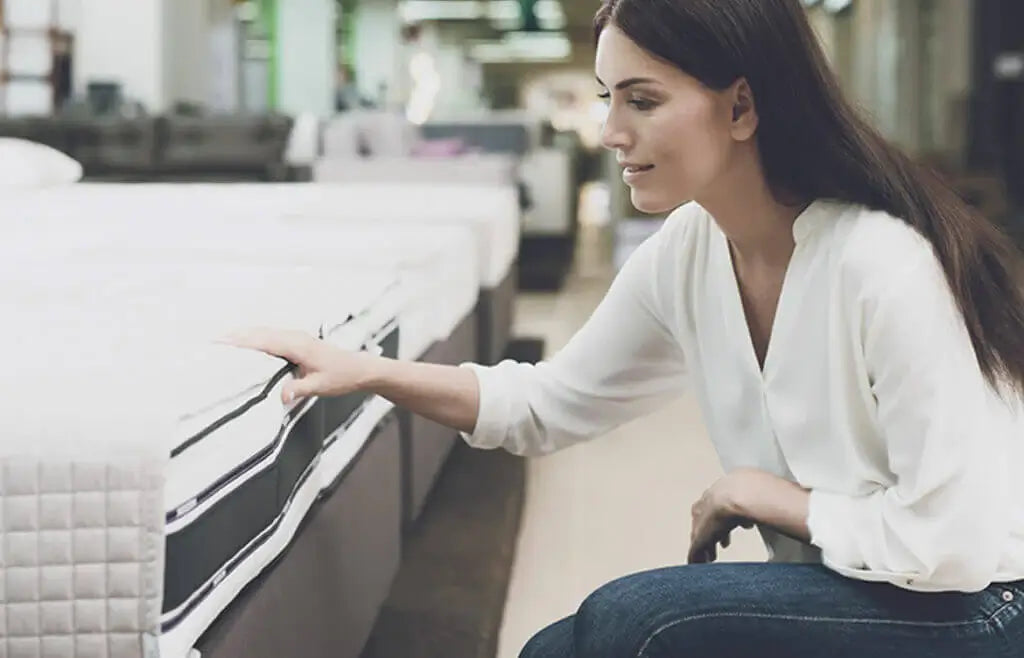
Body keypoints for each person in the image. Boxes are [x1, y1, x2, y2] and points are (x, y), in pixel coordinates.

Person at [222, 0, 1024, 655]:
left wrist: (774, 497)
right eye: (610, 99)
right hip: (859, 583)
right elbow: (547, 404)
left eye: (642, 100)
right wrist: (366, 370)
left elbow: (951, 544)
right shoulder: (691, 250)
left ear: (741, 106)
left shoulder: (882, 263)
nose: (610, 133)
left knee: (636, 621)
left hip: (982, 603)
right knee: (550, 650)